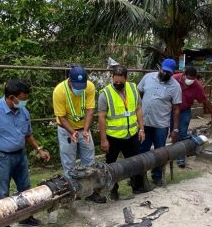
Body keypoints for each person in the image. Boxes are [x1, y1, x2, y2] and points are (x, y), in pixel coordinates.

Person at [0, 79, 51, 227]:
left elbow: (28, 135)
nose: (24, 102)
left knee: (25, 189)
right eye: (22, 99)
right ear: (11, 97)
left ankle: (25, 218)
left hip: (20, 155)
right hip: (0, 157)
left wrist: (39, 150)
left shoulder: (23, 112)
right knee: (2, 193)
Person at [52, 66, 106, 203]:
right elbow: (61, 117)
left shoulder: (89, 87)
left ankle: (91, 191)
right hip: (66, 130)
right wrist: (72, 132)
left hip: (83, 128)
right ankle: (73, 192)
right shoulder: (59, 91)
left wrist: (86, 130)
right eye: (77, 86)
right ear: (69, 80)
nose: (80, 89)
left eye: (82, 86)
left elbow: (89, 110)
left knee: (89, 160)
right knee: (69, 162)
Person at [98, 65, 148, 200]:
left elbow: (138, 109)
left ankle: (137, 187)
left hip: (131, 134)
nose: (118, 84)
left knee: (136, 162)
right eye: (115, 81)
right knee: (111, 166)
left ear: (126, 78)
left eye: (121, 81)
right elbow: (101, 117)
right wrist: (103, 140)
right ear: (112, 78)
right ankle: (113, 191)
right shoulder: (105, 94)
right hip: (113, 137)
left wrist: (141, 129)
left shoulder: (133, 88)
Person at [137, 58, 182, 186]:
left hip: (161, 125)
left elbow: (177, 109)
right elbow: (138, 94)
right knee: (142, 150)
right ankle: (139, 175)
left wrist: (175, 129)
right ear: (160, 68)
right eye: (164, 71)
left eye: (169, 72)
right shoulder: (147, 77)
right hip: (144, 123)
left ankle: (157, 176)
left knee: (160, 151)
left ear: (172, 73)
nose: (165, 74)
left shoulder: (175, 87)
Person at [172, 66, 212, 167]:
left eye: (193, 79)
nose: (191, 81)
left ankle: (181, 158)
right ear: (184, 75)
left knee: (182, 133)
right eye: (189, 78)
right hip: (170, 110)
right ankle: (172, 154)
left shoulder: (197, 86)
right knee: (173, 133)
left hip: (184, 110)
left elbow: (204, 100)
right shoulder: (174, 79)